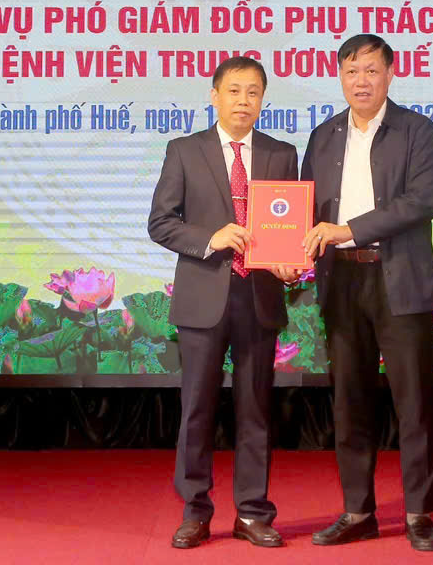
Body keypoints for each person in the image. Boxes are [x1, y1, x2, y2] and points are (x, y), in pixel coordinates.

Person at [301, 34, 433, 551]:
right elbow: (305, 209)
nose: (360, 81)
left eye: (370, 70)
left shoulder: (416, 130)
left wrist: (349, 229)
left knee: (413, 403)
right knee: (349, 401)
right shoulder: (323, 136)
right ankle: (358, 510)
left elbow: (421, 201)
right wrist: (290, 253)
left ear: (390, 74)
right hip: (342, 282)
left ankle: (419, 514)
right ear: (339, 76)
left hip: (398, 277)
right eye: (351, 71)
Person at [148, 56, 300, 549]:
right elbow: (160, 223)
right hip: (203, 298)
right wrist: (210, 238)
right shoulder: (184, 150)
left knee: (256, 410)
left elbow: (289, 225)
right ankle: (195, 511)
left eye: (253, 92)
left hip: (259, 296)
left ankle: (253, 513)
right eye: (234, 91)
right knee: (197, 409)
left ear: (263, 100)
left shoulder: (281, 153)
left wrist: (290, 261)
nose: (243, 101)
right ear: (214, 96)